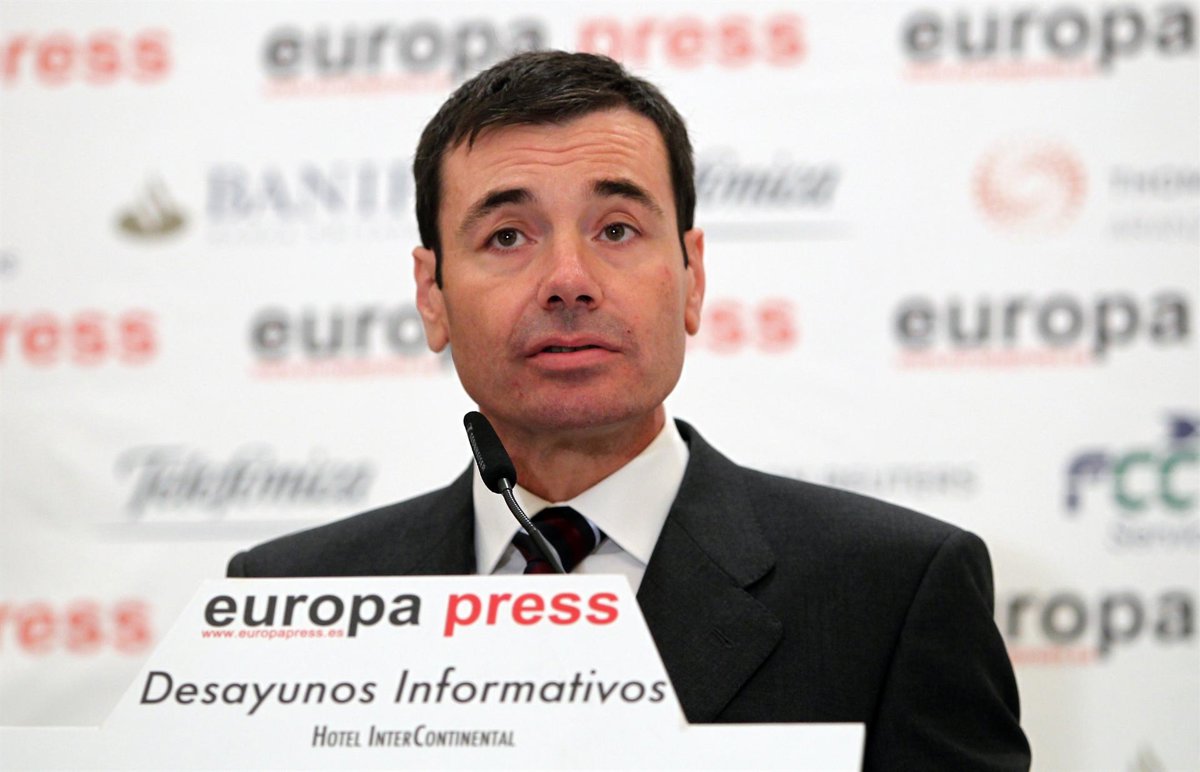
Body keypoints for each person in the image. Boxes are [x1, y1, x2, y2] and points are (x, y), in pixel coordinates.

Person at [228, 50, 1031, 770]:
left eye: (616, 229)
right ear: (431, 295)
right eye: (507, 237)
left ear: (692, 277)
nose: (568, 281)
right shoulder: (287, 603)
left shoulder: (891, 593)